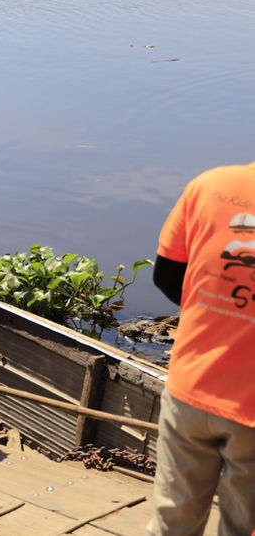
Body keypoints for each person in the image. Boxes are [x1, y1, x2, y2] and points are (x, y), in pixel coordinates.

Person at [145, 162, 255, 536]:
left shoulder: (209, 185)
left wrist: (217, 316)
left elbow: (166, 276)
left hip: (190, 387)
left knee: (172, 521)